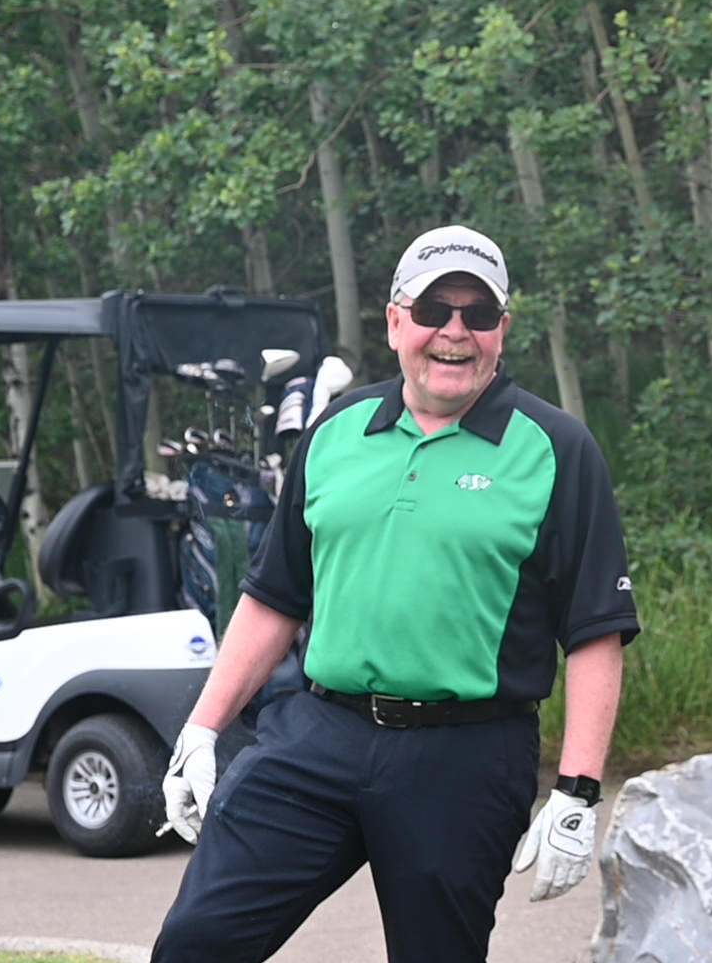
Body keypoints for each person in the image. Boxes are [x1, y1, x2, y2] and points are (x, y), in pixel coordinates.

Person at [151, 225, 639, 963]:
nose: (454, 332)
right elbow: (275, 596)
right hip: (318, 736)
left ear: (502, 330)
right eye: (433, 310)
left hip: (467, 756)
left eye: (478, 314)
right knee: (196, 942)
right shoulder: (336, 431)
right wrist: (201, 729)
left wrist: (576, 790)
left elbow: (596, 630)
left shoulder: (556, 448)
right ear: (394, 322)